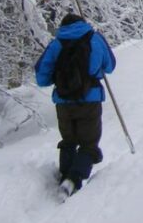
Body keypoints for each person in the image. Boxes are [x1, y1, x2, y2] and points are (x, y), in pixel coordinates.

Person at [34, 13, 116, 197]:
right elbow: (110, 65)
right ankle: (73, 180)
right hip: (90, 99)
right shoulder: (94, 38)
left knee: (69, 141)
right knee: (89, 143)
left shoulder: (56, 44)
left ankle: (65, 175)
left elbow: (41, 78)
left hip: (63, 102)